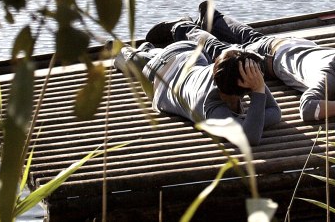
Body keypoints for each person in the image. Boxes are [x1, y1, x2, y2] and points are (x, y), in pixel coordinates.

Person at [166, 3, 335, 123]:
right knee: (224, 51)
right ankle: (183, 28)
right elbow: (308, 110)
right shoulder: (328, 76)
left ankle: (213, 16)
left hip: (295, 46)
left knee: (251, 36)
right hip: (271, 57)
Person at [115, 24, 283, 145]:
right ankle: (131, 52)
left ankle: (150, 50)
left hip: (191, 53)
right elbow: (251, 138)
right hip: (159, 74)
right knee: (132, 61)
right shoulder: (212, 108)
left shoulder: (227, 72)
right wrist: (257, 94)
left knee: (154, 55)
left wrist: (248, 116)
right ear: (242, 87)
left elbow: (275, 113)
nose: (259, 80)